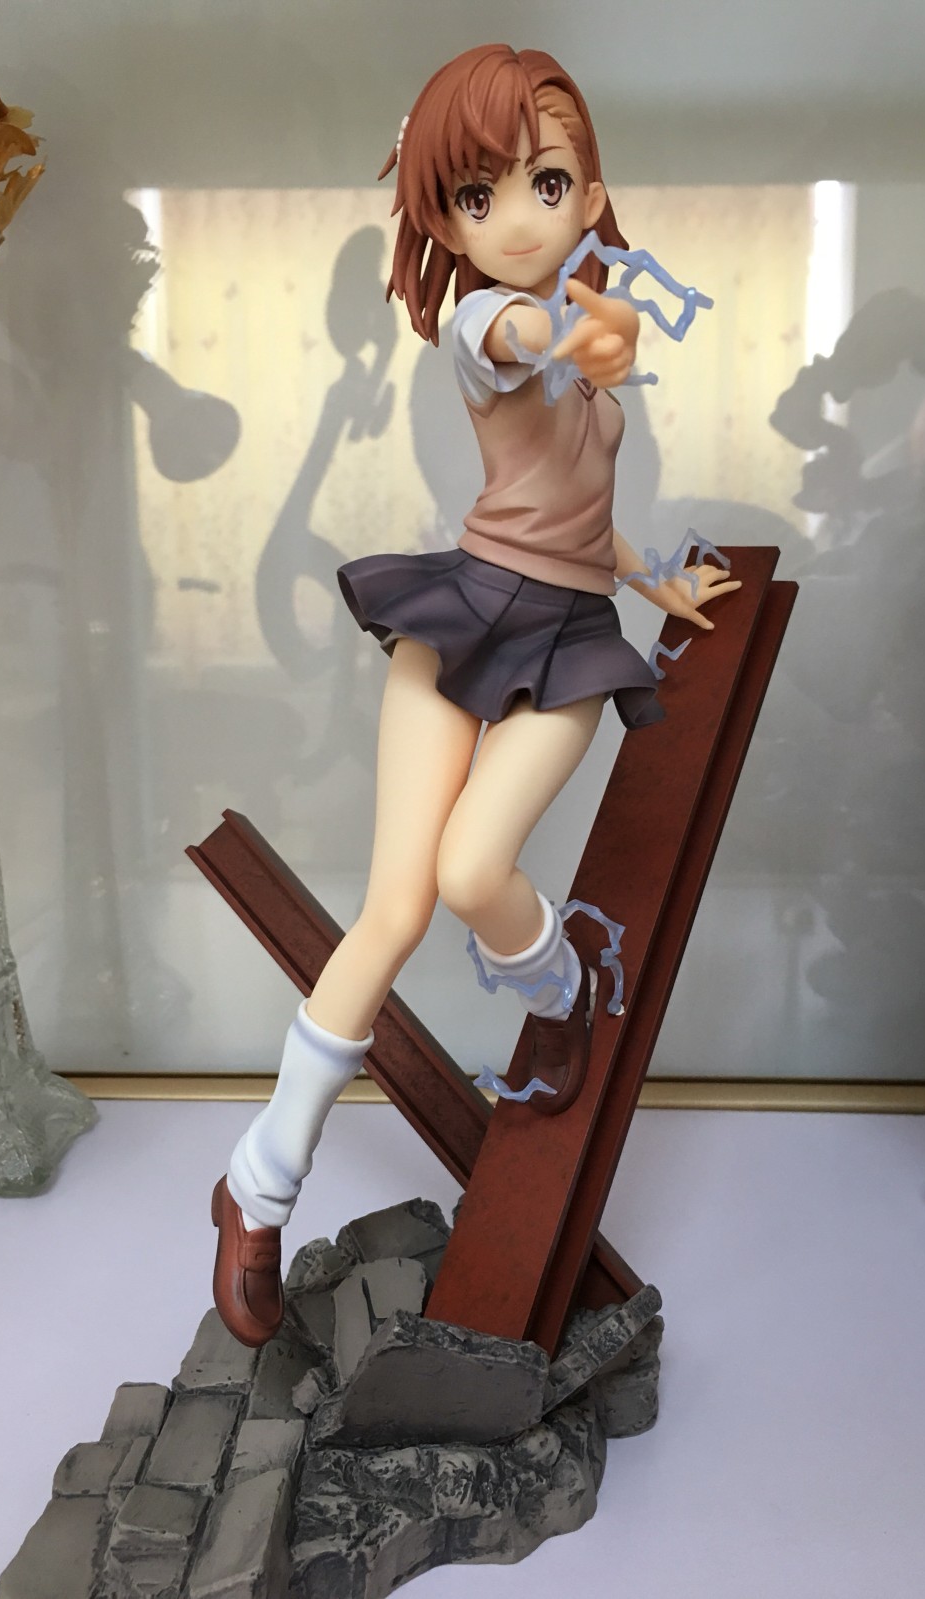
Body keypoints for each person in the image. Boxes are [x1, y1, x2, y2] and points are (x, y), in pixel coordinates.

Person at [211, 43, 740, 1347]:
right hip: (464, 613)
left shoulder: (586, 330)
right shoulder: (481, 323)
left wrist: (653, 581)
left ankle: (557, 992)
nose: (515, 219)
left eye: (546, 184)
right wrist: (585, 329)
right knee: (393, 906)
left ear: (590, 188)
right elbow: (527, 333)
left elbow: (579, 508)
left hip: (568, 632)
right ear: (444, 221)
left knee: (472, 872)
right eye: (475, 195)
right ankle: (255, 1189)